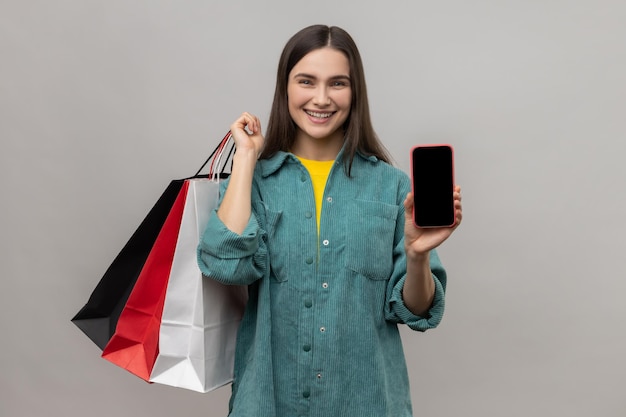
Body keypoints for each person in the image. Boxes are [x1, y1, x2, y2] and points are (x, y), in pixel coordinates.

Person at [197, 24, 462, 417]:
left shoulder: (391, 187)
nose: (321, 98)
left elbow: (417, 312)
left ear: (355, 93)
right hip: (269, 403)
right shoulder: (253, 181)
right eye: (307, 81)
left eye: (338, 83)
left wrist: (417, 254)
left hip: (367, 403)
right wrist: (247, 159)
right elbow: (227, 265)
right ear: (285, 87)